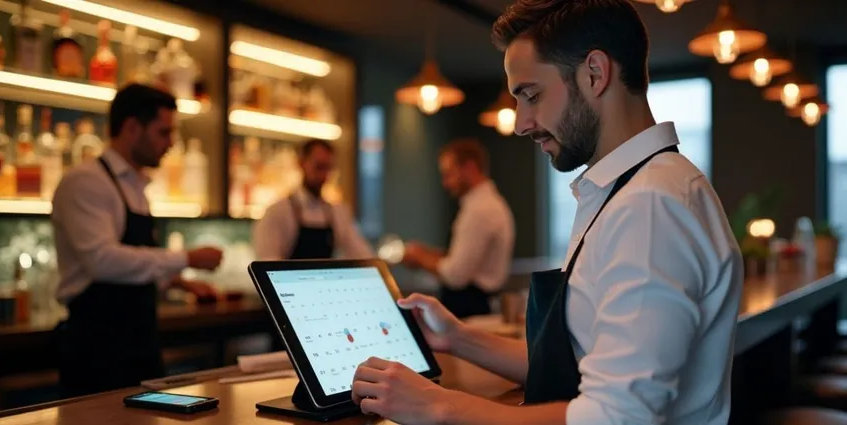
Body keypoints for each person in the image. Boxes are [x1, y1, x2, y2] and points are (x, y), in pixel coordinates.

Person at [350, 1, 744, 424]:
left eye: (532, 96)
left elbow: (616, 416)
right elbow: (581, 364)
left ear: (595, 73)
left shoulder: (649, 206)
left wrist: (435, 405)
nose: (520, 123)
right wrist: (460, 338)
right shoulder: (628, 191)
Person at [52, 83, 224, 397]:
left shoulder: (136, 185)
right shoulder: (86, 181)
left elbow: (134, 260)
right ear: (132, 127)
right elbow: (103, 261)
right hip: (97, 348)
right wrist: (187, 258)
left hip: (140, 341)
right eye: (163, 132)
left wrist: (178, 283)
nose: (171, 143)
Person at [401, 138, 515, 318]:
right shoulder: (484, 204)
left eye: (449, 174)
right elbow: (462, 259)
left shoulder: (480, 210)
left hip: (471, 309)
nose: (445, 183)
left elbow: (456, 275)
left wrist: (419, 258)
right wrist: (427, 254)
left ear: (470, 168)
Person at [252, 139, 373, 260]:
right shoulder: (278, 212)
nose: (323, 175)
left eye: (328, 168)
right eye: (318, 167)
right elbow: (268, 260)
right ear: (301, 163)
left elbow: (362, 254)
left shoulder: (338, 213)